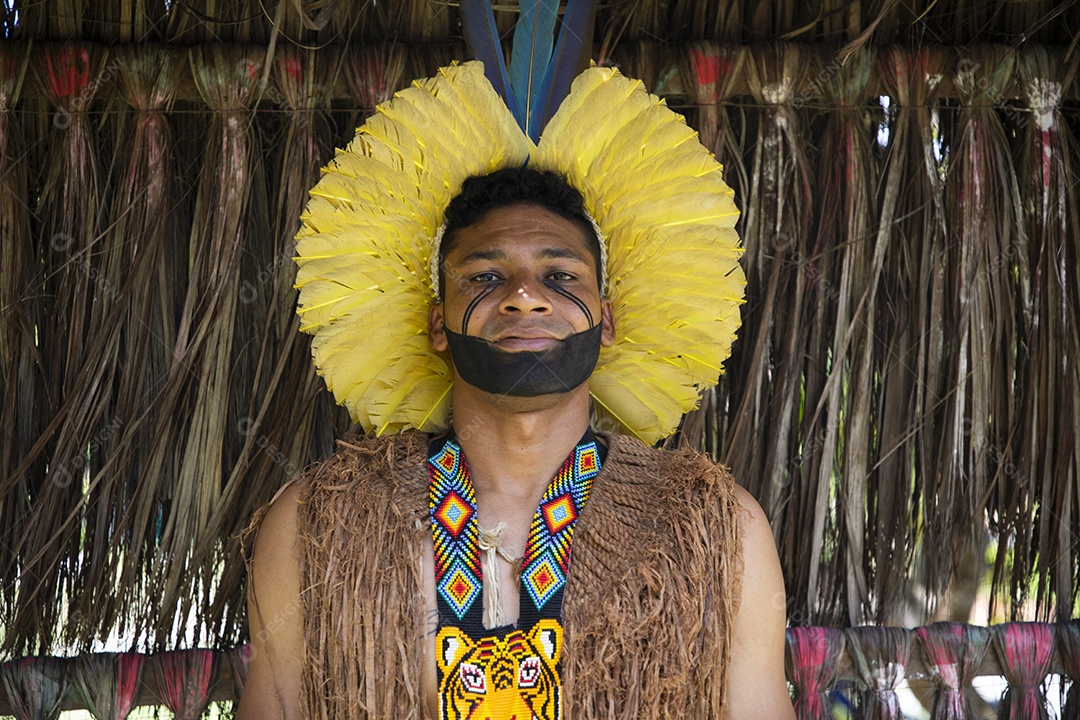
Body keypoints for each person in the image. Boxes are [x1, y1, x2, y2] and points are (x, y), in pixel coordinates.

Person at [239, 63, 794, 719]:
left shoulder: (718, 533)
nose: (525, 297)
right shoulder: (317, 526)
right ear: (437, 324)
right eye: (483, 277)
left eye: (560, 276)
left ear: (607, 321)